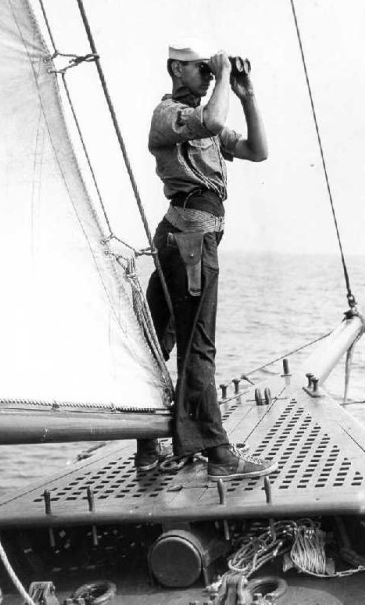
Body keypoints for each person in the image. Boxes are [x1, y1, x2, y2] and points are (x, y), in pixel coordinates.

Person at [135, 43, 276, 481]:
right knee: (197, 344)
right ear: (176, 68)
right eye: (202, 70)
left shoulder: (205, 122)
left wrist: (246, 94)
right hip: (190, 238)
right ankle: (217, 455)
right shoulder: (169, 115)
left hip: (189, 236)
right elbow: (214, 118)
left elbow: (257, 150)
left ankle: (147, 447)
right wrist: (222, 78)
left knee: (158, 338)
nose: (209, 77)